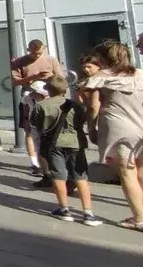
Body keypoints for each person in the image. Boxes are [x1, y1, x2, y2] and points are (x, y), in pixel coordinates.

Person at [81, 40, 143, 230]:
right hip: (141, 125)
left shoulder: (100, 77)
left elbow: (93, 106)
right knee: (140, 170)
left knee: (127, 173)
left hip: (118, 128)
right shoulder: (140, 74)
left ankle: (139, 218)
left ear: (102, 58)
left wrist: (91, 129)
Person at [30, 74, 102, 226]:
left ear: (48, 90)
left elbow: (36, 124)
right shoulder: (75, 105)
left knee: (58, 176)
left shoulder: (41, 106)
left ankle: (64, 209)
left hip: (54, 144)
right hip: (76, 142)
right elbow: (82, 120)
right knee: (81, 177)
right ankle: (88, 213)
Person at [10, 40, 64, 177]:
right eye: (33, 53)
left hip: (49, 98)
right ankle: (35, 163)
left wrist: (52, 79)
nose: (37, 56)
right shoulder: (20, 62)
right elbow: (15, 82)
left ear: (44, 48)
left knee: (51, 129)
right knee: (29, 130)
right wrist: (34, 77)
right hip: (29, 97)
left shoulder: (51, 60)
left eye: (40, 53)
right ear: (28, 50)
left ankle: (52, 160)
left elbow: (61, 79)